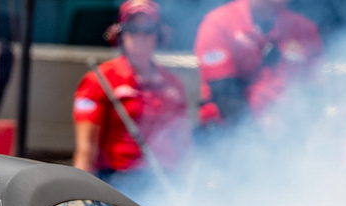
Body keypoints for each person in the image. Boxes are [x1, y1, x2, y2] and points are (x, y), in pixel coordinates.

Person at [72, 0, 190, 182]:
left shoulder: (172, 84)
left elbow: (186, 148)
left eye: (148, 30)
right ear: (120, 34)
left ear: (158, 35)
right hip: (117, 182)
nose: (140, 36)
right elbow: (86, 150)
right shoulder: (99, 80)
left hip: (164, 183)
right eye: (132, 29)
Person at [194, 0, 323, 130]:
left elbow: (315, 89)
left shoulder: (303, 28)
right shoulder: (220, 23)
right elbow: (223, 93)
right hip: (229, 131)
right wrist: (257, 128)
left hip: (291, 131)